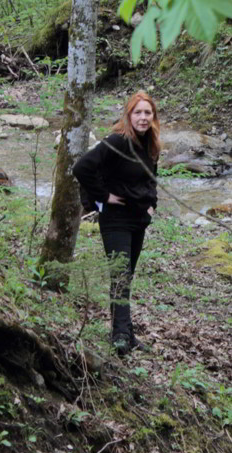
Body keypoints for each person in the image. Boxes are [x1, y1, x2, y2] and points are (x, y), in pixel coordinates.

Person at [73, 91, 160, 356]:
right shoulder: (117, 141)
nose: (143, 118)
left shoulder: (150, 144)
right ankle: (120, 336)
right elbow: (82, 167)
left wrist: (152, 202)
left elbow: (150, 177)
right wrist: (103, 196)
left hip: (137, 219)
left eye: (148, 113)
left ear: (153, 117)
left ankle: (126, 332)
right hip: (116, 220)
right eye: (138, 113)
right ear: (129, 115)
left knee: (127, 276)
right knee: (120, 275)